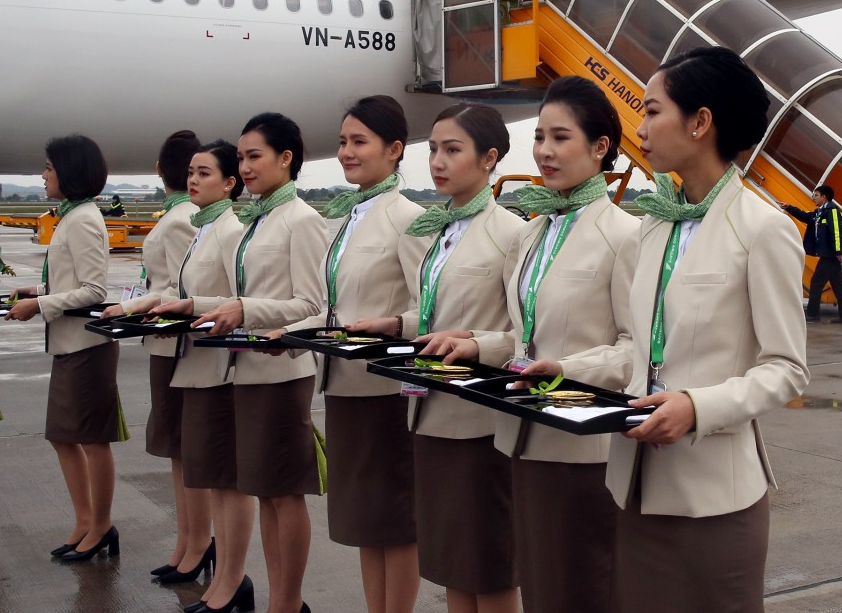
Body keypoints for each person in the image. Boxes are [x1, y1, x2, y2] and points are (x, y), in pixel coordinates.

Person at [605, 46, 809, 612]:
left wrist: (698, 406)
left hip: (713, 497)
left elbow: (787, 370)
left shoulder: (762, 228)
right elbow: (641, 347)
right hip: (636, 484)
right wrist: (567, 372)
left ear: (700, 122)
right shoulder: (656, 225)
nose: (639, 127)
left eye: (651, 111)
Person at [425, 76, 638, 612]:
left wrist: (565, 368)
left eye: (560, 137)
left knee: (583, 590)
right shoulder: (534, 230)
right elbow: (524, 337)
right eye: (540, 136)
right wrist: (478, 344)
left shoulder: (624, 234)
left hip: (581, 447)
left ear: (599, 147)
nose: (544, 150)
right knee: (539, 590)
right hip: (519, 437)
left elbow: (638, 349)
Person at [351, 103, 524, 613]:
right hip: (428, 411)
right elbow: (433, 312)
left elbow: (523, 332)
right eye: (433, 150)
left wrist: (477, 344)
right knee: (450, 563)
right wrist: (398, 324)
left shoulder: (511, 233)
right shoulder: (440, 230)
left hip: (478, 420)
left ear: (490, 158)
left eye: (453, 150)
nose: (438, 162)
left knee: (487, 567)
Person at [271, 96, 428, 613]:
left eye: (359, 142)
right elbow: (335, 308)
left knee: (395, 522)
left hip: (385, 390)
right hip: (344, 387)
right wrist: (292, 332)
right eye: (342, 142)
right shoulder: (350, 217)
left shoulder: (409, 219)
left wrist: (393, 326)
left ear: (395, 149)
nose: (345, 152)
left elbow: (426, 311)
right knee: (365, 522)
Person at [192, 113, 327, 613]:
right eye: (243, 157)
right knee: (264, 494)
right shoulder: (257, 218)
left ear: (286, 159)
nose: (245, 166)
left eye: (255, 156)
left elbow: (313, 306)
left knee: (283, 494)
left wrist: (245, 309)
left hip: (281, 372)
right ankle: (279, 599)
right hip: (246, 369)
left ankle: (288, 603)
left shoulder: (302, 220)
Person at [5, 135, 123, 562]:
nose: (43, 175)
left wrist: (40, 304)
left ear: (69, 172)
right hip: (68, 345)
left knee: (91, 441)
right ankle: (84, 520)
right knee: (62, 437)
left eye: (49, 167)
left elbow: (93, 291)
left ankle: (101, 524)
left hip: (86, 346)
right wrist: (36, 290)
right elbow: (71, 283)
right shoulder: (71, 216)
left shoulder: (85, 219)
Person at [149, 140, 254, 613]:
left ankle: (232, 579)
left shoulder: (230, 230)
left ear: (231, 184)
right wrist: (132, 305)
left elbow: (235, 300)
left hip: (221, 364)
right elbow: (176, 287)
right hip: (199, 361)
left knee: (226, 479)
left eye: (205, 173)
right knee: (212, 476)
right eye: (191, 172)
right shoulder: (203, 227)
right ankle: (221, 576)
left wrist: (190, 307)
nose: (192, 180)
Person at [101, 130, 206, 580]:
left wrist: (131, 307)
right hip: (164, 342)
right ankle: (188, 540)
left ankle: (199, 542)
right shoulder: (179, 213)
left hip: (179, 345)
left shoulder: (183, 218)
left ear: (162, 170)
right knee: (176, 449)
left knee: (185, 449)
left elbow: (184, 288)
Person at [778, 185, 842, 323]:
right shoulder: (819, 213)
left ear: (824, 197)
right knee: (837, 285)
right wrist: (789, 207)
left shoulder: (832, 212)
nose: (814, 198)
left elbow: (837, 233)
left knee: (816, 283)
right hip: (827, 255)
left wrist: (838, 252)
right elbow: (806, 217)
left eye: (816, 195)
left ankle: (813, 315)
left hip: (829, 256)